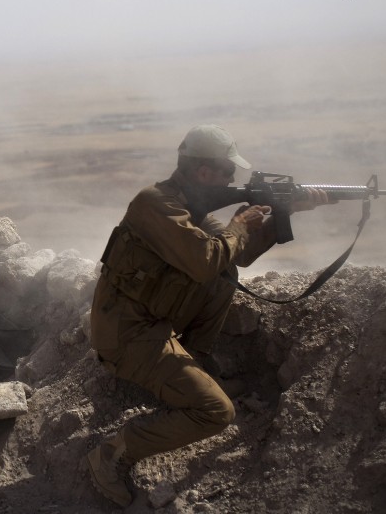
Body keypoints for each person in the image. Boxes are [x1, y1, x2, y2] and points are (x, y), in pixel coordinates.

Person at [86, 124, 332, 506]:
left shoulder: (191, 209)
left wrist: (287, 211)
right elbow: (206, 260)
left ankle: (192, 366)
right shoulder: (156, 204)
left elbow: (239, 253)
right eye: (228, 174)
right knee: (216, 412)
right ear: (205, 173)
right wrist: (237, 225)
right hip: (126, 337)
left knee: (226, 273)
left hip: (154, 324)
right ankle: (112, 454)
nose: (233, 180)